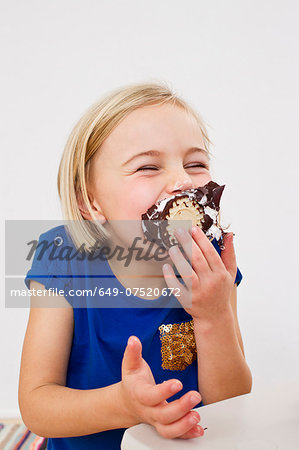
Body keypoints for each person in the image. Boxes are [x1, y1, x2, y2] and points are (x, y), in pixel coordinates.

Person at [18, 81, 252, 449]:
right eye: (147, 167)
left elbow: (233, 403)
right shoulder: (61, 257)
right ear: (91, 203)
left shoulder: (213, 260)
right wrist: (124, 405)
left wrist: (213, 315)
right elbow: (37, 405)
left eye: (196, 163)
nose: (182, 182)